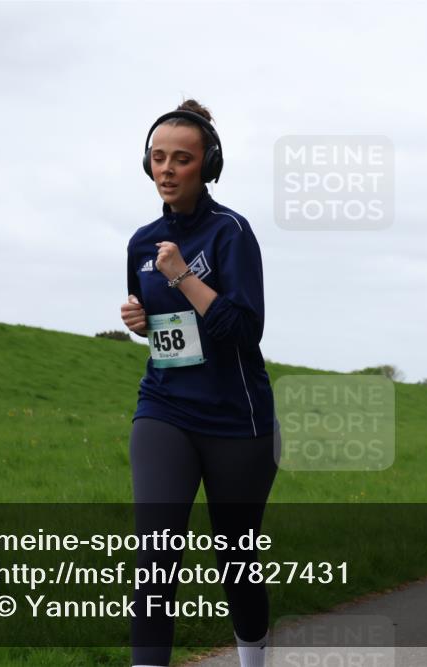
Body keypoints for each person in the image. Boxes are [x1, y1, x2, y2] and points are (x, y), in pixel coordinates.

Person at [121, 100, 278, 667]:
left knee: (236, 558)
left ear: (206, 166)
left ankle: (252, 658)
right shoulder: (142, 242)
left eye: (180, 159)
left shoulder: (231, 233)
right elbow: (166, 330)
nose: (166, 169)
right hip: (165, 408)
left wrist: (183, 277)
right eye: (157, 158)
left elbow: (244, 330)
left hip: (238, 421)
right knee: (155, 557)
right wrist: (141, 321)